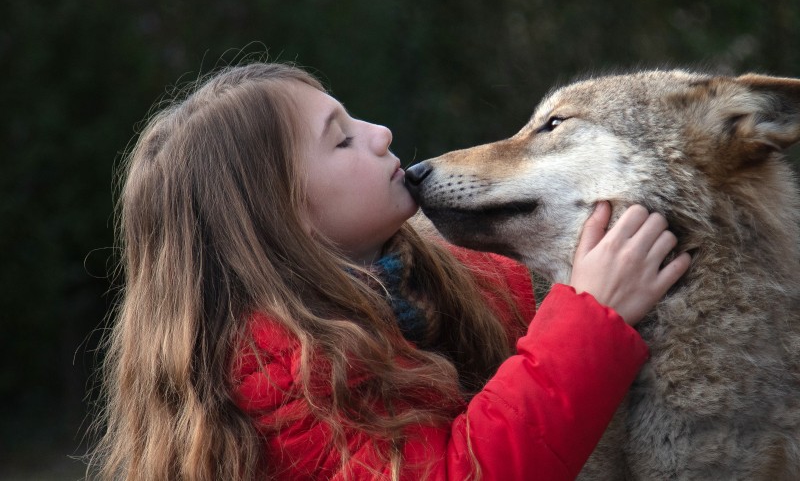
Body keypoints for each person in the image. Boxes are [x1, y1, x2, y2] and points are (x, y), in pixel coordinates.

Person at [88, 62, 691, 480]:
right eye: (341, 140)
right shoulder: (272, 367)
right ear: (274, 214)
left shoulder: (421, 279)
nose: (381, 134)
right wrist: (591, 315)